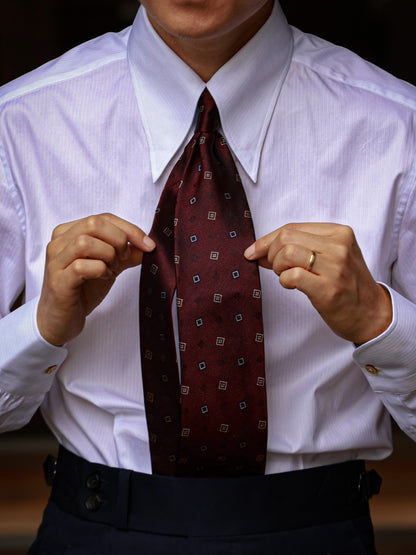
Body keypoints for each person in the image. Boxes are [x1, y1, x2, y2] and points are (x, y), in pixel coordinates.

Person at [0, 0, 415, 553]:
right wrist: (41, 326)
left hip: (317, 532)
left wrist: (379, 322)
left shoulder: (399, 126)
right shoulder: (19, 122)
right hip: (94, 530)